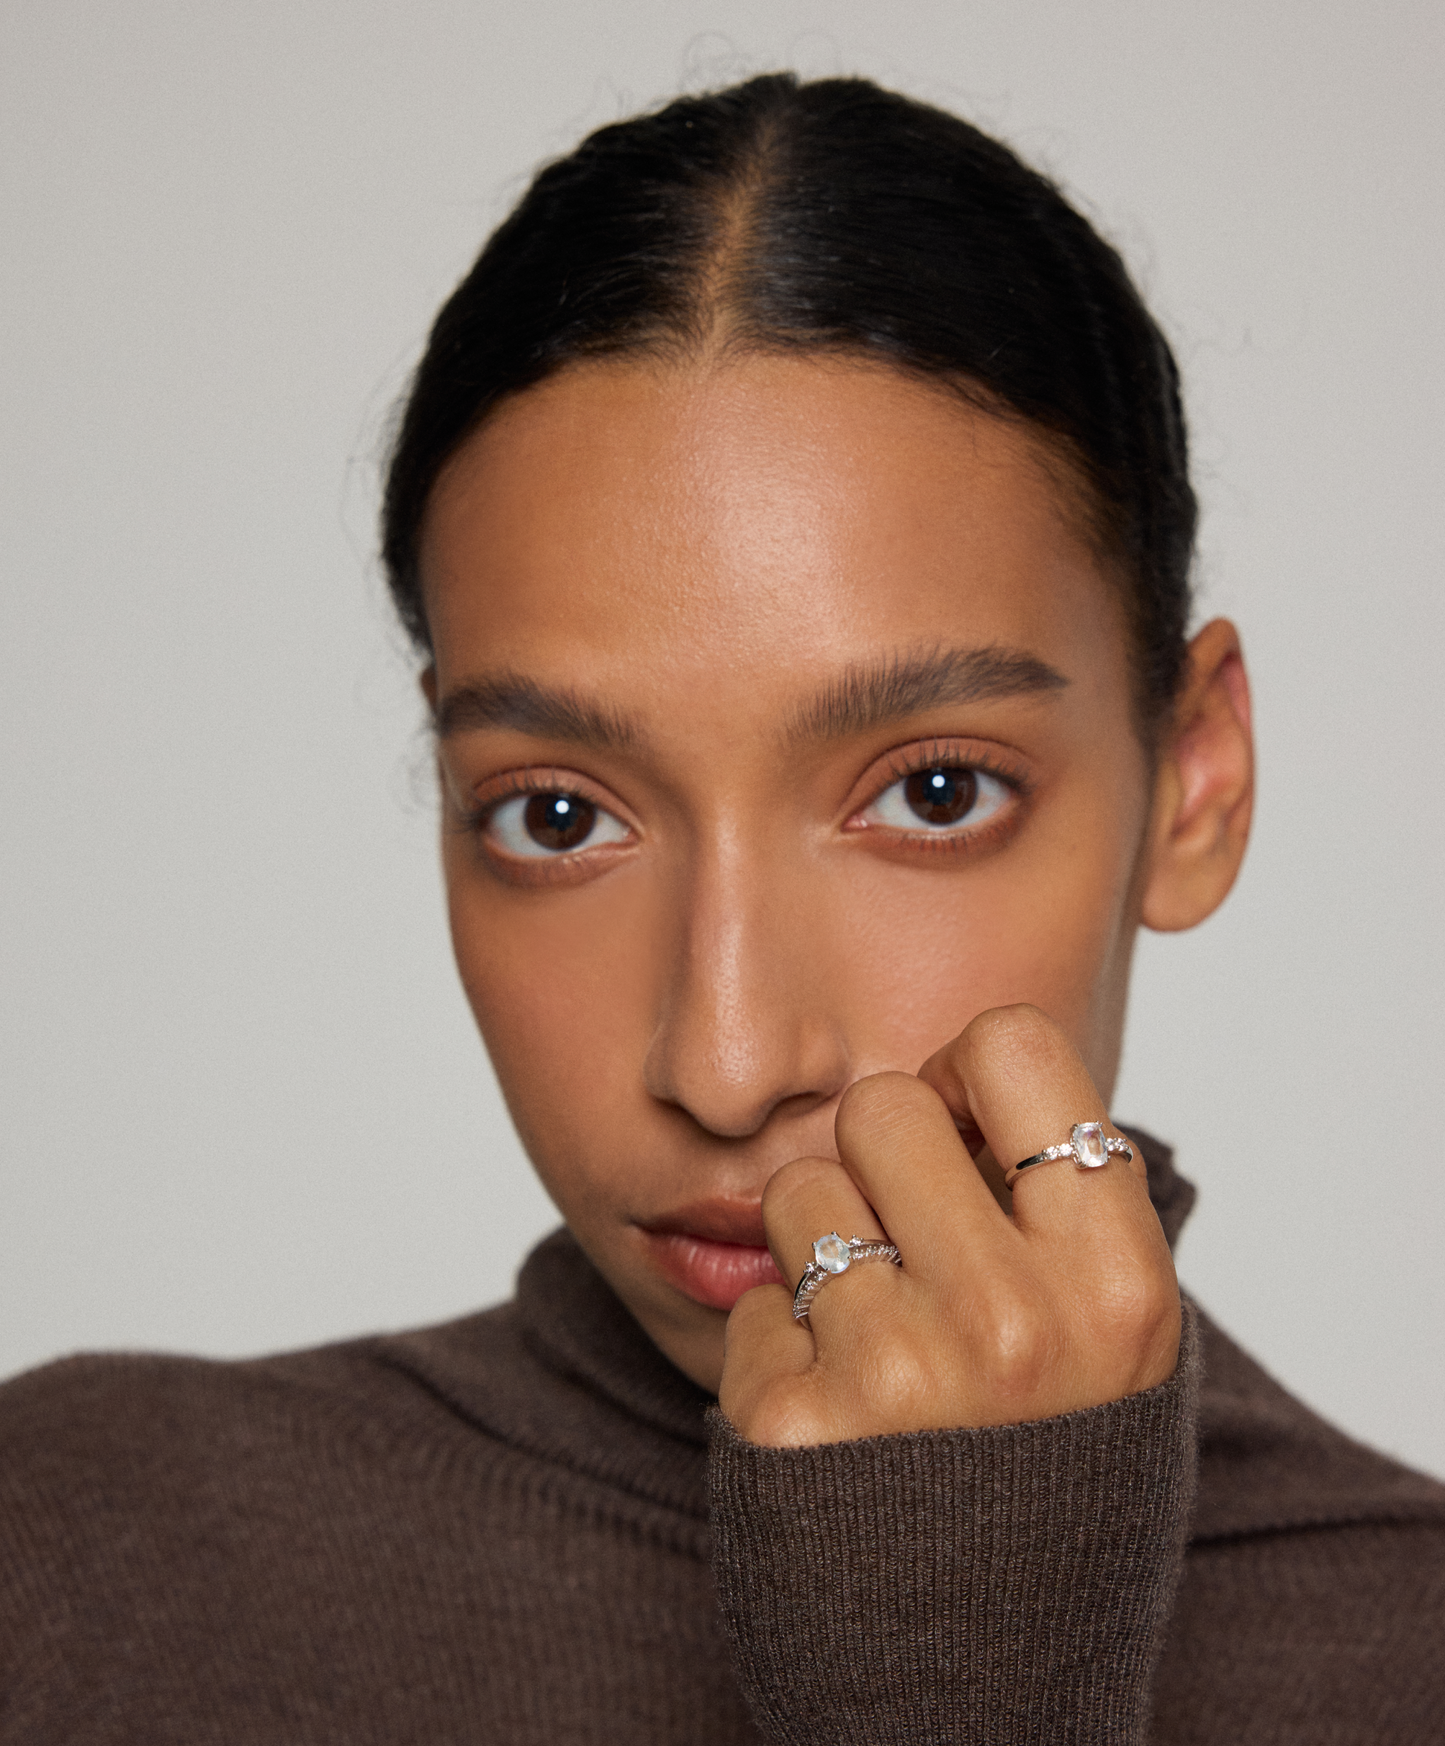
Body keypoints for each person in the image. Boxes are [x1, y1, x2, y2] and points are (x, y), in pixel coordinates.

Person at [1, 72, 1441, 1745]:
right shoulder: (83, 1563)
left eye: (934, 791)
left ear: (1194, 781)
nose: (729, 1059)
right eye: (557, 815)